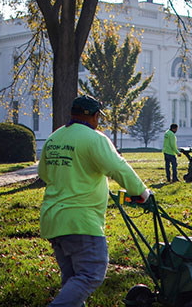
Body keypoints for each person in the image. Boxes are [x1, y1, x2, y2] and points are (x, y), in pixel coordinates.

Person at [39, 95, 150, 307]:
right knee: (91, 274)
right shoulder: (94, 138)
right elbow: (118, 168)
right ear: (95, 116)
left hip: (53, 220)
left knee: (73, 282)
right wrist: (142, 193)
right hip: (81, 221)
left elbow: (44, 173)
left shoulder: (54, 139)